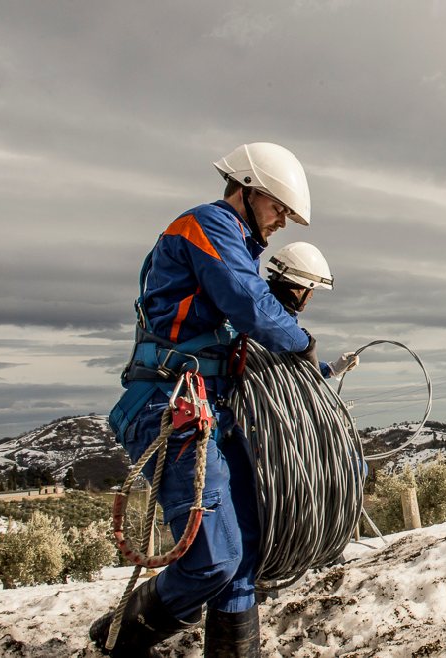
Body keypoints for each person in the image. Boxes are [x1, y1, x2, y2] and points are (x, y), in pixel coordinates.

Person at [92, 143, 340, 657]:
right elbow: (248, 303)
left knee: (244, 556)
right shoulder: (206, 225)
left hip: (211, 411)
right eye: (278, 209)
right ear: (247, 191)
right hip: (169, 407)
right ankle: (116, 639)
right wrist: (302, 345)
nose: (282, 223)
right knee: (213, 558)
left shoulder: (237, 246)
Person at [264, 241, 358, 379]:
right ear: (301, 288)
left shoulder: (278, 314)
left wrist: (331, 369)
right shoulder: (269, 320)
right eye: (311, 289)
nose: (312, 295)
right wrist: (307, 345)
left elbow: (290, 365)